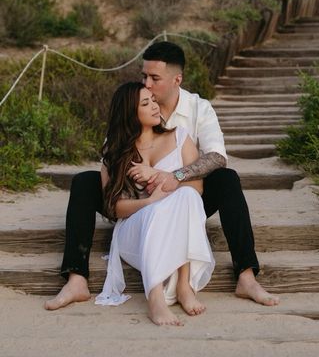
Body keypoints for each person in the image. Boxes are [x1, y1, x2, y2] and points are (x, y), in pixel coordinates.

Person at [44, 41, 279, 311]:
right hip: (135, 204)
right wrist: (144, 199)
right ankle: (76, 277)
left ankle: (246, 276)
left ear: (176, 79)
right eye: (144, 76)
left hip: (186, 198)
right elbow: (114, 166)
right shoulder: (133, 107)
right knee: (84, 182)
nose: (147, 83)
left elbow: (216, 157)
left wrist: (172, 176)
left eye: (154, 78)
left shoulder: (197, 109)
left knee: (227, 179)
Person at [95, 82, 214, 326]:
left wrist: (158, 176)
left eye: (153, 100)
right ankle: (156, 298)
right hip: (134, 233)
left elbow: (197, 189)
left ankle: (184, 285)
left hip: (172, 228)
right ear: (130, 112)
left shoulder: (180, 137)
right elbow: (114, 208)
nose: (154, 106)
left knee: (188, 196)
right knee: (156, 211)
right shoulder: (115, 150)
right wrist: (150, 201)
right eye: (145, 103)